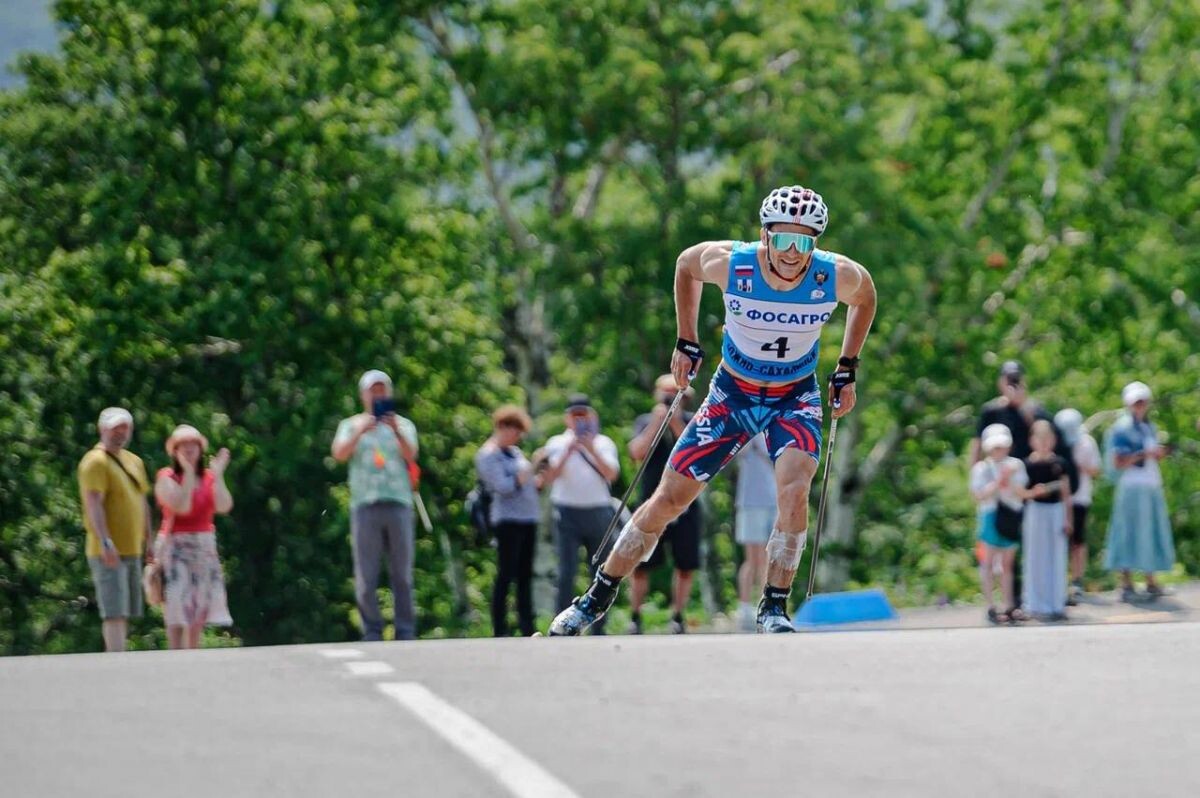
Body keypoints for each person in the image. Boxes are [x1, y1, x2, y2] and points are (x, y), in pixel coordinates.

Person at [550, 184, 876, 635]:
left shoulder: (833, 275)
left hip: (793, 397)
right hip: (732, 395)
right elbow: (686, 265)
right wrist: (686, 339)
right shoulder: (734, 263)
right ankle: (595, 597)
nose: (792, 252)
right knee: (668, 499)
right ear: (765, 235)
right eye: (783, 239)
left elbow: (866, 297)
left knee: (795, 489)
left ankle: (773, 606)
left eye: (804, 243)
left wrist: (847, 366)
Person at [332, 369, 420, 641]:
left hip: (398, 501)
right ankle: (372, 630)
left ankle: (405, 630)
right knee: (366, 573)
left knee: (402, 572)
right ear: (363, 395)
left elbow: (411, 454)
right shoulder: (351, 424)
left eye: (382, 390)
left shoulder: (403, 424)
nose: (378, 395)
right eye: (373, 390)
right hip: (365, 504)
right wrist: (360, 431)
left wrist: (395, 430)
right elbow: (339, 453)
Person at [535, 394, 621, 635]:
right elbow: (549, 478)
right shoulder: (556, 443)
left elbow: (612, 474)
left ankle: (599, 626)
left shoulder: (603, 443)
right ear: (567, 418)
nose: (579, 420)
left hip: (598, 512)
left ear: (591, 417)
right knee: (566, 571)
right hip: (567, 512)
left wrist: (590, 448)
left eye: (583, 415)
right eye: (575, 415)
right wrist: (568, 451)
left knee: (601, 572)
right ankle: (561, 624)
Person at [626, 375, 701, 635]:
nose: (672, 400)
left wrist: (675, 422)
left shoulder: (692, 421)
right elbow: (637, 452)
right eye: (667, 395)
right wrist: (658, 422)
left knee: (685, 564)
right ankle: (635, 615)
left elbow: (696, 452)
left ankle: (678, 615)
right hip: (651, 501)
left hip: (685, 503)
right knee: (640, 563)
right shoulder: (645, 421)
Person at [78, 407, 153, 652]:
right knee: (114, 610)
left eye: (124, 428)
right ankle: (116, 659)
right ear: (102, 430)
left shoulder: (134, 461)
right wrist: (105, 540)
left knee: (126, 609)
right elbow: (94, 503)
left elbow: (142, 502)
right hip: (108, 548)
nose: (120, 433)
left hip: (132, 546)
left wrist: (149, 540)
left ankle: (119, 654)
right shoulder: (96, 461)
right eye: (114, 428)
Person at [153, 425, 234, 649]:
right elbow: (182, 507)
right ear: (175, 451)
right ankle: (175, 650)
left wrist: (218, 476)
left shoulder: (208, 478)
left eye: (193, 445)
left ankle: (192, 651)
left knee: (199, 603)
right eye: (183, 446)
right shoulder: (166, 477)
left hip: (203, 546)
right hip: (176, 546)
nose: (189, 450)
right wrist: (188, 474)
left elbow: (224, 506)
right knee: (176, 601)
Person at [1104, 381, 1175, 602]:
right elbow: (1118, 461)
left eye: (1143, 402)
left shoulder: (1148, 427)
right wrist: (1144, 454)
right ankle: (1125, 581)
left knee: (1150, 531)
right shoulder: (1121, 428)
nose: (1140, 406)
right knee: (1127, 531)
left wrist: (1158, 454)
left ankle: (1150, 579)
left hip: (1150, 484)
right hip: (1131, 486)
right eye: (1136, 402)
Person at [475, 405, 542, 637]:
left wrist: (539, 474)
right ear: (502, 427)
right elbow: (503, 486)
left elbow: (529, 483)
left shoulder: (514, 452)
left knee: (525, 575)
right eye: (515, 431)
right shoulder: (488, 455)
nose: (517, 437)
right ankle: (500, 627)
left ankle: (527, 625)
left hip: (528, 517)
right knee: (506, 573)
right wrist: (531, 468)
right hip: (507, 520)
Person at [970, 424, 1027, 624]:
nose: (998, 450)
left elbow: (1020, 492)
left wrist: (1009, 479)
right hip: (989, 516)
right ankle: (990, 606)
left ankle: (1009, 604)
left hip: (1010, 517)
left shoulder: (1016, 465)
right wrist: (999, 481)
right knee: (988, 563)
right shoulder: (981, 468)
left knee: (1007, 564)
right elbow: (979, 495)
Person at [1019, 420, 1072, 621]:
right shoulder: (1025, 465)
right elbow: (1020, 492)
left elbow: (1066, 493)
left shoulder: (1060, 463)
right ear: (1032, 440)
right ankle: (1034, 603)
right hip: (1035, 510)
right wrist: (1034, 492)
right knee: (1035, 556)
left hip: (1056, 510)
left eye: (1047, 438)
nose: (1043, 442)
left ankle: (1056, 602)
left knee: (1056, 556)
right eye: (1039, 438)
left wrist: (1068, 519)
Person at [1054, 408, 1102, 604]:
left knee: (1078, 540)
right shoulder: (1055, 443)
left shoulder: (1086, 442)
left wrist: (1078, 465)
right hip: (1058, 500)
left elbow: (1096, 470)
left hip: (1080, 497)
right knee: (1060, 540)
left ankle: (1077, 579)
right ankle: (1058, 580)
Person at [733, 433, 777, 632]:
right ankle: (744, 607)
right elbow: (738, 452)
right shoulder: (747, 432)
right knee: (753, 559)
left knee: (769, 557)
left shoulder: (772, 433)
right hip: (750, 502)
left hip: (773, 499)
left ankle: (765, 603)